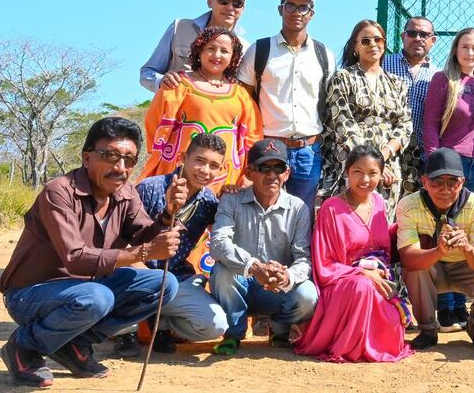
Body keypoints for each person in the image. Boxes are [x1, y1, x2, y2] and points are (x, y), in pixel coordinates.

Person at [0, 117, 186, 387]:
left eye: (129, 160)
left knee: (164, 284)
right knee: (96, 297)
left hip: (88, 290)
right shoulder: (59, 192)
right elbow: (75, 258)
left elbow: (145, 232)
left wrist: (168, 214)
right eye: (109, 156)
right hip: (31, 294)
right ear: (87, 158)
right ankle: (23, 346)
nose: (120, 167)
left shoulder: (126, 193)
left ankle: (74, 344)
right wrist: (143, 252)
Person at [297, 146, 414, 362]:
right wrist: (361, 273)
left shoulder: (378, 202)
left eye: (372, 173)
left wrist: (407, 226)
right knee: (363, 287)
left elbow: (379, 240)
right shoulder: (331, 208)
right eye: (357, 172)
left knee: (392, 324)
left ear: (381, 175)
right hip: (343, 284)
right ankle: (349, 346)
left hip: (377, 277)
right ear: (347, 172)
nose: (365, 179)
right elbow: (324, 262)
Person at [208, 139, 319, 355]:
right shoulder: (231, 200)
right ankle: (233, 333)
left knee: (308, 294)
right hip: (240, 282)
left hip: (276, 287)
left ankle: (279, 330)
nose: (272, 175)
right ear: (249, 172)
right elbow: (218, 243)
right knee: (222, 273)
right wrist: (254, 267)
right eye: (264, 168)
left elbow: (304, 258)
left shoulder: (298, 209)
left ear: (287, 173)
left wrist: (287, 276)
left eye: (278, 168)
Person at [238, 0, 335, 211]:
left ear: (312, 13)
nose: (296, 12)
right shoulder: (259, 50)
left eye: (303, 7)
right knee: (262, 210)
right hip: (268, 147)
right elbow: (244, 98)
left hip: (308, 150)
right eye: (290, 5)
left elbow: (328, 102)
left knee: (301, 215)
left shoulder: (323, 54)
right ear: (280, 9)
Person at [395, 147, 474, 351]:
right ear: (425, 182)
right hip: (431, 269)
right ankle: (428, 330)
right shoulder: (408, 205)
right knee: (413, 270)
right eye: (437, 182)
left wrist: (468, 248)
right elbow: (408, 258)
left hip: (464, 267)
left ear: (461, 183)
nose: (445, 190)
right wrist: (438, 251)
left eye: (452, 182)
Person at [420, 26, 474, 330]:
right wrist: (435, 167)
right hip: (451, 165)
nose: (470, 53)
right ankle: (446, 306)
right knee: (444, 228)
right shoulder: (443, 80)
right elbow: (430, 125)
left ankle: (461, 304)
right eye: (465, 47)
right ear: (455, 50)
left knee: (468, 232)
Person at [134, 133, 230, 353]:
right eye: (200, 160)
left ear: (221, 170)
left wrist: (231, 199)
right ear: (183, 157)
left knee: (215, 325)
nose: (205, 170)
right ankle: (128, 331)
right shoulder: (150, 187)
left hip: (176, 279)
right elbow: (123, 237)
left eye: (214, 165)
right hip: (138, 275)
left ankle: (161, 324)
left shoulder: (209, 202)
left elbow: (224, 233)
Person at [140, 26, 263, 193]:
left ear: (233, 56)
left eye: (224, 51)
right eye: (211, 48)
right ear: (199, 51)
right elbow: (154, 125)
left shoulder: (240, 94)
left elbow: (253, 137)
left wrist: (247, 177)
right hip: (177, 171)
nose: (217, 55)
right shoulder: (177, 85)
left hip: (226, 180)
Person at [321, 20, 413, 209]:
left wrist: (384, 157)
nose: (373, 44)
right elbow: (344, 125)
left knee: (382, 225)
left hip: (389, 166)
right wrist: (371, 166)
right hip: (353, 162)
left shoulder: (397, 83)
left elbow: (405, 125)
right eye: (365, 41)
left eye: (377, 40)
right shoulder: (343, 78)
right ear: (356, 46)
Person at [140, 0, 249, 93]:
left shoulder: (247, 49)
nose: (230, 7)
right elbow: (147, 73)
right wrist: (161, 81)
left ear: (243, 9)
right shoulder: (179, 28)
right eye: (223, 0)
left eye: (237, 3)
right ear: (210, 2)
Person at [382, 15, 440, 194]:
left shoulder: (438, 75)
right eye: (412, 33)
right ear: (402, 36)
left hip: (420, 157)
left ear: (433, 40)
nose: (418, 38)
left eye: (424, 34)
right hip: (385, 150)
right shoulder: (383, 64)